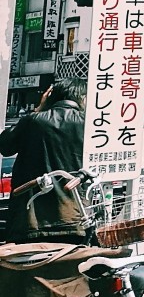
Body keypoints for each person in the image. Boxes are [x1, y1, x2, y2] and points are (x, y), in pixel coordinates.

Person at [0, 82, 84, 241]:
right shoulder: (90, 124)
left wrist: (39, 109)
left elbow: (5, 146)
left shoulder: (33, 121)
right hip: (75, 218)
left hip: (30, 220)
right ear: (82, 98)